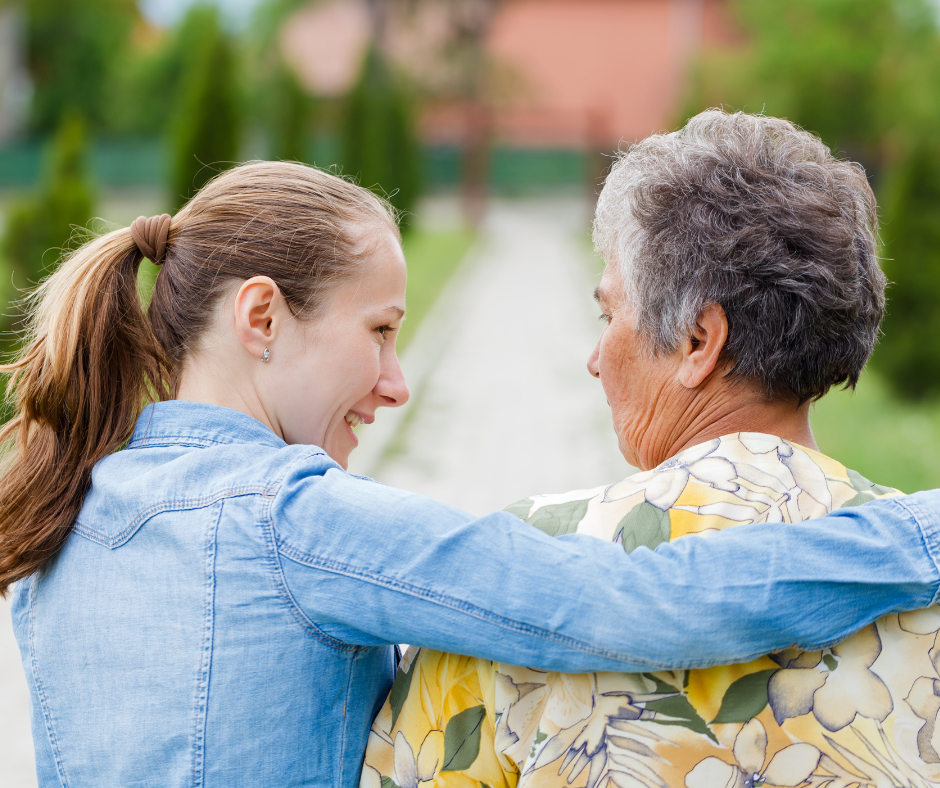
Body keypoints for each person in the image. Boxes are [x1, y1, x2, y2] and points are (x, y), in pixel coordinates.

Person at [0, 161, 937, 788]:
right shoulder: (293, 522)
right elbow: (624, 601)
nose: (398, 383)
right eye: (378, 331)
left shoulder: (60, 520)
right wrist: (918, 532)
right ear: (261, 318)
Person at [363, 110, 940, 788]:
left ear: (700, 340)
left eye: (609, 315)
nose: (594, 360)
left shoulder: (525, 572)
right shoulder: (918, 569)